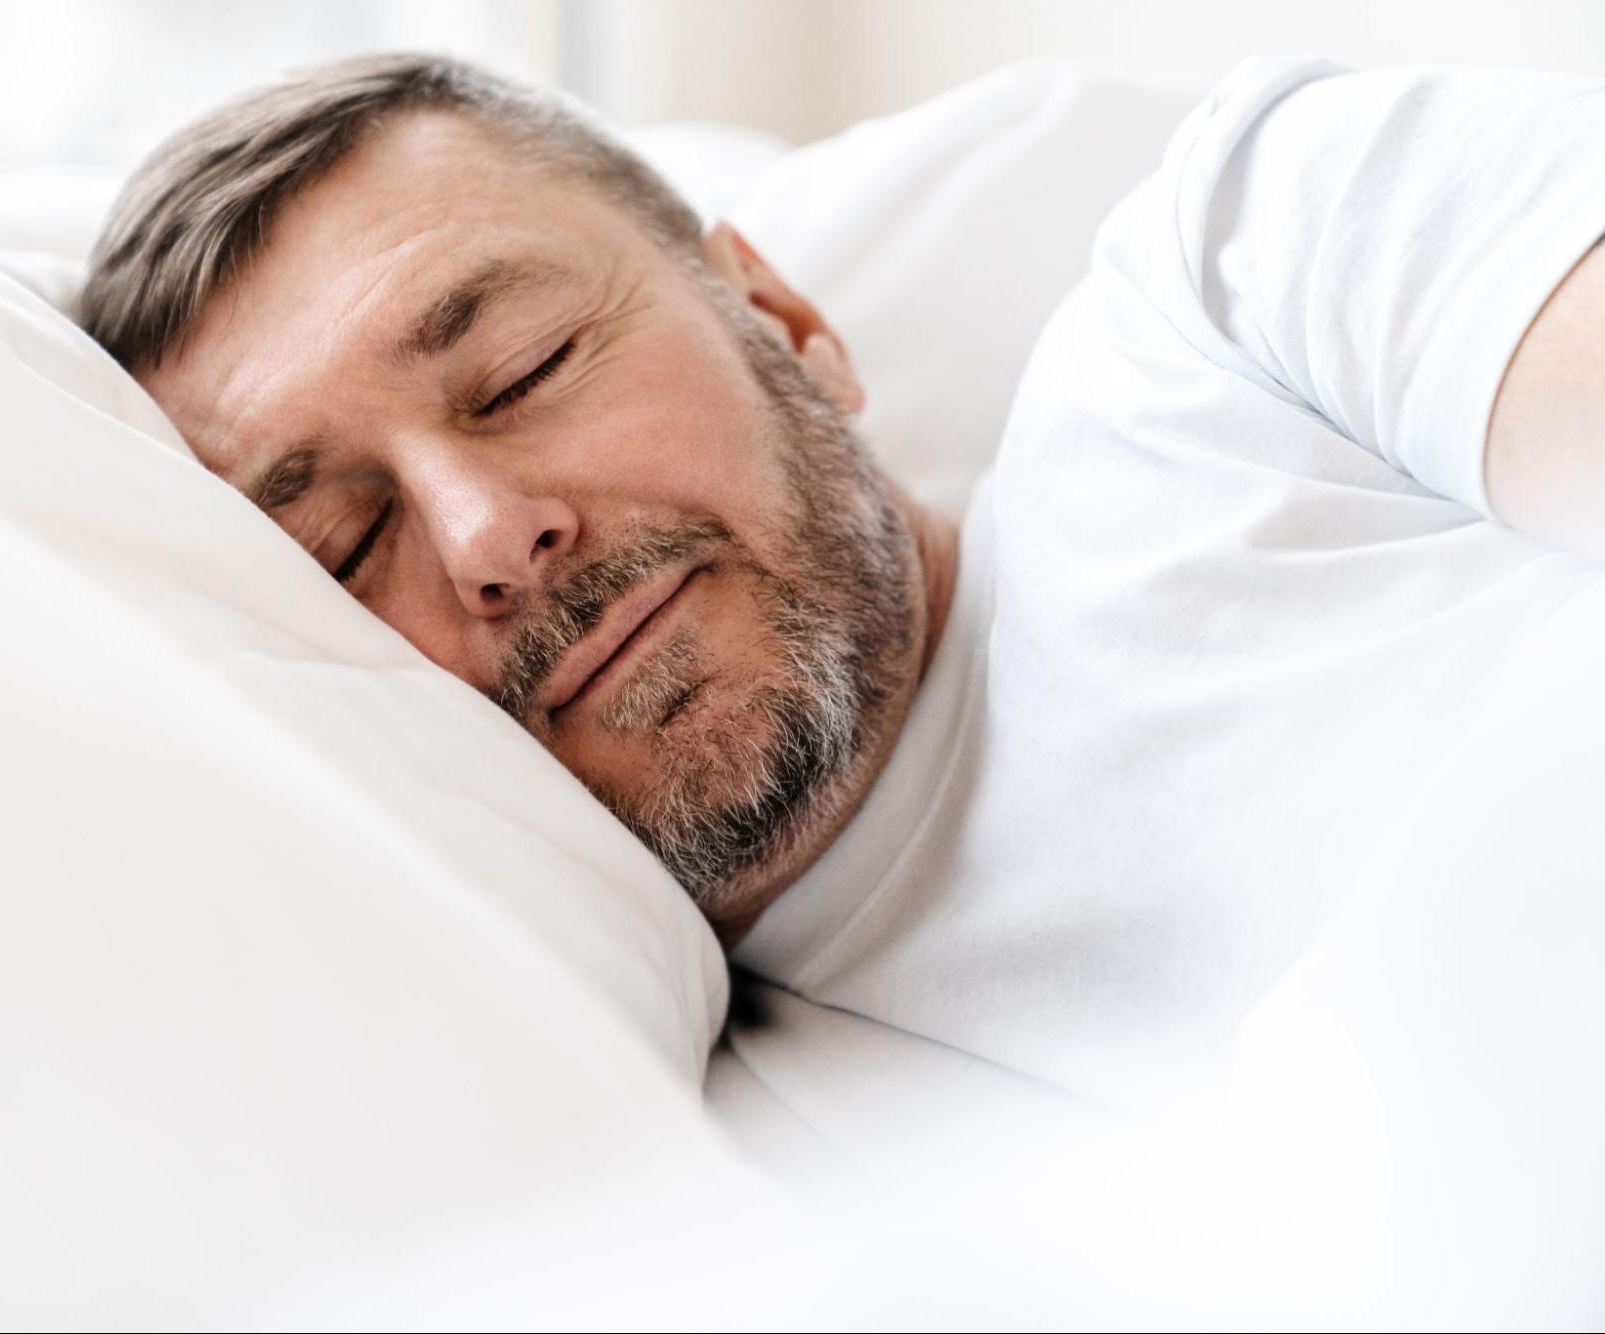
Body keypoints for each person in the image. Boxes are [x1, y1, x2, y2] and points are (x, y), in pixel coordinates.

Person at [78, 52, 1605, 1108]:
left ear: (783, 317)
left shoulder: (1240, 283)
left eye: (526, 365)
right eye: (346, 547)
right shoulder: (663, 1172)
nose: (486, 534)